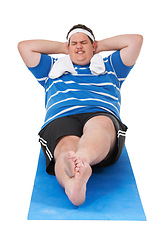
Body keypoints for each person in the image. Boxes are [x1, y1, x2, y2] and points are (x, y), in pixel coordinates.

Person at [18, 24, 143, 206]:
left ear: (93, 46)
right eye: (74, 43)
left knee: (99, 127)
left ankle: (82, 158)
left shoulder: (111, 66)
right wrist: (63, 48)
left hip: (100, 113)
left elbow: (135, 41)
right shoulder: (52, 69)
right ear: (68, 47)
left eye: (84, 42)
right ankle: (71, 184)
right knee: (65, 146)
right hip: (61, 117)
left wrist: (98, 45)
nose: (79, 46)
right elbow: (24, 47)